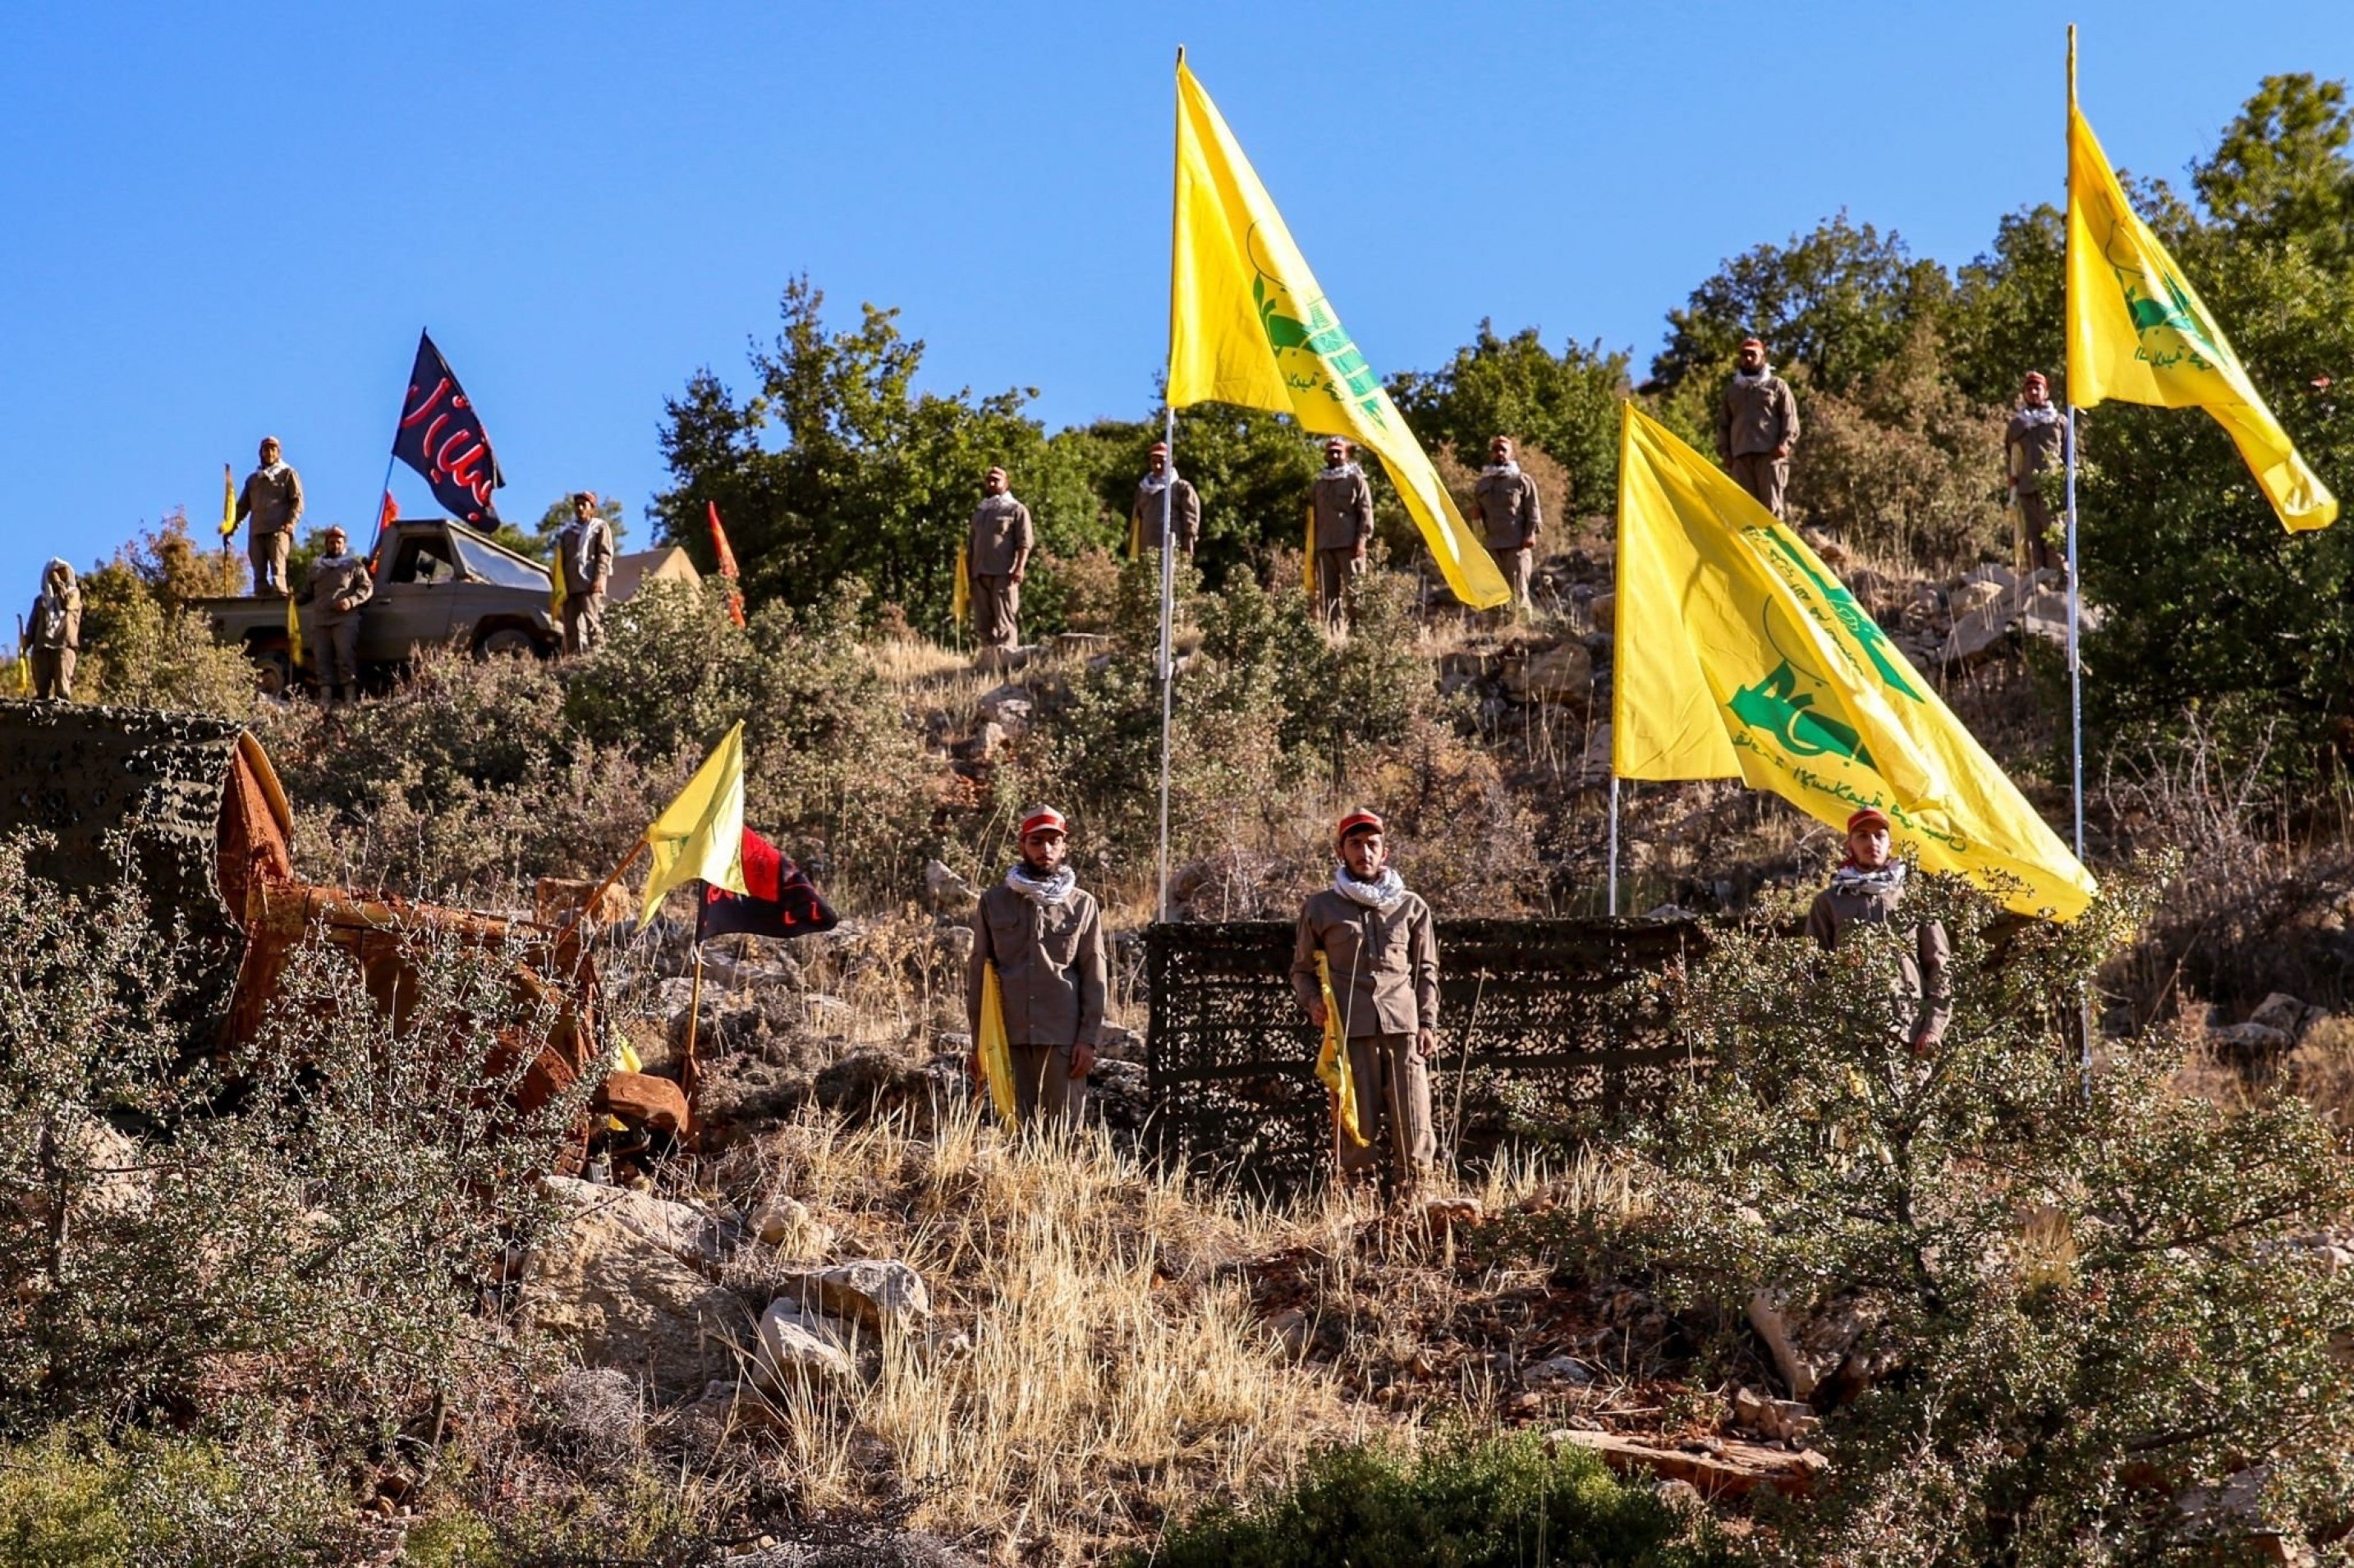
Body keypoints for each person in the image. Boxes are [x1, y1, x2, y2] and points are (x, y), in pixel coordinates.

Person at [1291, 809, 1441, 1194]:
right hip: (1348, 1031)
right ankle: (1358, 1209)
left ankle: (1418, 1204)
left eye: (1372, 844)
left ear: (1384, 852)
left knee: (1415, 1122)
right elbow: (1301, 971)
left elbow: (1426, 971)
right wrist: (1312, 1004)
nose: (1364, 852)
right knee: (1356, 1129)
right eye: (1355, 844)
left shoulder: (1412, 906)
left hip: (1403, 1029)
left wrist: (1427, 1024)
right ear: (1341, 851)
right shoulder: (1320, 908)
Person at [966, 806, 1106, 1127]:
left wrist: (1088, 1040)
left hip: (1062, 1038)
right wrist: (978, 1044)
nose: (1045, 850)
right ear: (1022, 845)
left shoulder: (1083, 904)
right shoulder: (993, 902)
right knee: (1015, 1129)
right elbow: (979, 973)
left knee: (1061, 1133)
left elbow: (1094, 973)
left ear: (1064, 846)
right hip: (1007, 1036)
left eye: (1053, 842)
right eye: (1037, 841)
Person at [1806, 807, 1951, 1055]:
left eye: (1879, 835)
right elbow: (1812, 970)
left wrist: (1933, 1029)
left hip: (1911, 1037)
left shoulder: (1915, 899)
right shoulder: (1828, 903)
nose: (1872, 842)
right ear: (1849, 845)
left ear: (1890, 843)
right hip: (1854, 1041)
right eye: (1862, 835)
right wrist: (1825, 1036)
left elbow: (1939, 967)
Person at [1715, 338, 1801, 517]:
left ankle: (1773, 545)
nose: (1747, 358)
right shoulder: (1732, 391)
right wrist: (1725, 452)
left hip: (1769, 455)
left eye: (1752, 354)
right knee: (1745, 510)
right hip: (1740, 458)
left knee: (1771, 508)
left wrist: (1785, 444)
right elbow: (1723, 424)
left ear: (1763, 356)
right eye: (1744, 354)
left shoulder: (1777, 386)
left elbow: (1790, 417)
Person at [300, 525, 374, 708]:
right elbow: (306, 592)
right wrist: (293, 598)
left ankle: (349, 697)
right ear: (326, 544)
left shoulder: (353, 565)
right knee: (322, 658)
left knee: (345, 656)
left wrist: (350, 601)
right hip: (321, 620)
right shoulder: (317, 566)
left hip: (345, 619)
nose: (335, 545)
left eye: (338, 542)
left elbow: (367, 588)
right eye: (331, 542)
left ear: (344, 544)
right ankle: (326, 698)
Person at [1471, 436, 1544, 617]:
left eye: (1504, 449)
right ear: (1491, 454)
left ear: (1512, 453)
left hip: (1516, 544)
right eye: (1496, 449)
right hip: (1492, 546)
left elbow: (1533, 509)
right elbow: (1478, 517)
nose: (1500, 453)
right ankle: (1497, 632)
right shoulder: (1482, 484)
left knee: (1519, 590)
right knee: (1495, 592)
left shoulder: (1522, 480)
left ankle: (1523, 631)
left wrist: (1530, 534)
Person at [2005, 372, 2067, 577]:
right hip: (2026, 490)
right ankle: (2037, 588)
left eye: (2037, 388)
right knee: (2031, 542)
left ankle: (2060, 585)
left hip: (2053, 490)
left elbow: (2070, 456)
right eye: (2029, 389)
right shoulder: (2016, 425)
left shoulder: (2059, 422)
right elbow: (2011, 455)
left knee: (2055, 538)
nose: (2033, 392)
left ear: (2046, 392)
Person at [969, 466, 1034, 662]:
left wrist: (1019, 567)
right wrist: (970, 573)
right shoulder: (981, 511)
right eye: (989, 480)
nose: (991, 483)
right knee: (983, 623)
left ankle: (1007, 666)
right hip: (979, 574)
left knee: (1004, 622)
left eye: (996, 479)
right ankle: (989, 664)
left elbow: (1025, 542)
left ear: (1006, 482)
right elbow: (971, 544)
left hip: (1004, 573)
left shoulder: (1016, 509)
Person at [1310, 438, 1374, 632]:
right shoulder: (1319, 484)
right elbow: (1313, 517)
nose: (1335, 455)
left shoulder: (1356, 479)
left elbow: (1366, 512)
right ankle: (1334, 635)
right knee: (1329, 595)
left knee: (1356, 592)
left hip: (1349, 545)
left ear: (1346, 454)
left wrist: (1361, 541)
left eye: (1339, 452)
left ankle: (1359, 635)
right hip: (1324, 547)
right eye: (1331, 452)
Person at [235, 436, 305, 596]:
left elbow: (297, 501)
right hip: (257, 530)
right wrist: (230, 528)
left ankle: (280, 597)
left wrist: (291, 523)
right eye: (266, 449)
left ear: (278, 452)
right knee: (258, 571)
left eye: (273, 449)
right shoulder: (253, 480)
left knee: (278, 568)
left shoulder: (287, 473)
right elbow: (242, 508)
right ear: (261, 453)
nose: (269, 452)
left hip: (278, 529)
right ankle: (261, 599)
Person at [557, 491, 614, 655]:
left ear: (592, 508)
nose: (580, 508)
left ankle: (596, 658)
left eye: (584, 505)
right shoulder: (567, 532)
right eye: (577, 505)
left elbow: (605, 554)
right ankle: (572, 662)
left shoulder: (599, 527)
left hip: (589, 583)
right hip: (569, 585)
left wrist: (599, 579)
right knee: (570, 627)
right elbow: (561, 559)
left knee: (592, 623)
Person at [1131, 440, 1200, 556]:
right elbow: (1136, 520)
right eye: (1154, 462)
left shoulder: (1182, 487)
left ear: (1171, 463)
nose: (1157, 466)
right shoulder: (1143, 489)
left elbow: (1191, 517)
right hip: (1146, 549)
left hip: (1172, 549)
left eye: (1162, 462)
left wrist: (1189, 539)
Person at [25, 558, 80, 701]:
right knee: (41, 686)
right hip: (42, 646)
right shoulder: (41, 601)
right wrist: (26, 641)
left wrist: (58, 584)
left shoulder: (74, 595)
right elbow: (33, 623)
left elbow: (67, 603)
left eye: (63, 573)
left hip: (64, 645)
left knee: (62, 685)